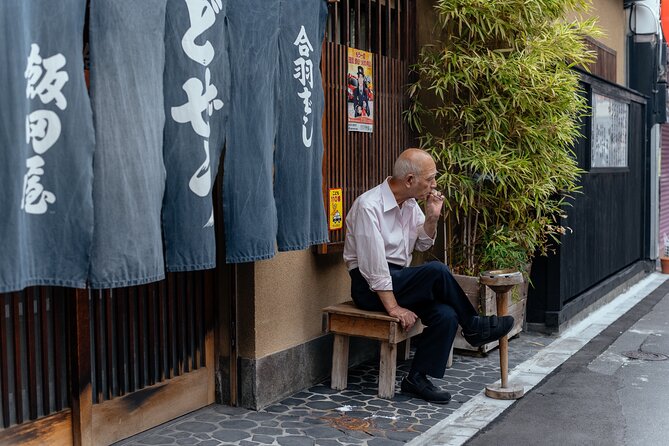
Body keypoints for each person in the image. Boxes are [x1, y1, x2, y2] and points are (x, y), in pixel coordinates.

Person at [343, 148, 514, 404]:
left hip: (399, 281)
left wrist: (432, 218)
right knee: (436, 271)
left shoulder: (410, 205)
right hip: (369, 287)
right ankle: (475, 327)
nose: (434, 185)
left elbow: (422, 245)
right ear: (410, 180)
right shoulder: (369, 206)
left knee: (446, 315)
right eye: (430, 179)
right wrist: (394, 308)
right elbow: (374, 268)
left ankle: (417, 379)